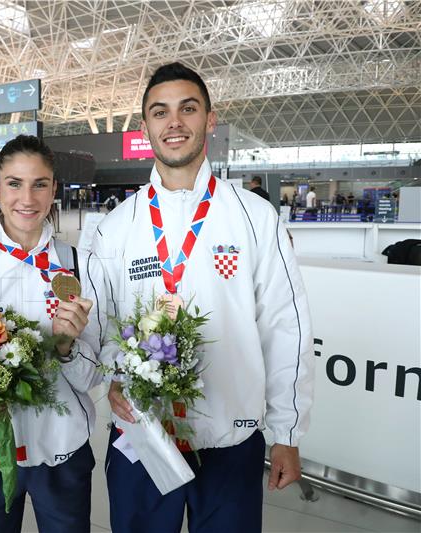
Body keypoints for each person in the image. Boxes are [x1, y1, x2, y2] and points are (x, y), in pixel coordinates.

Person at [92, 62, 314, 533]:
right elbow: (103, 325)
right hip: (142, 438)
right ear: (146, 126)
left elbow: (284, 327)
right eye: (160, 112)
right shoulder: (115, 228)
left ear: (209, 120)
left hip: (231, 440)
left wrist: (286, 433)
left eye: (187, 109)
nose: (174, 122)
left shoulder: (255, 218)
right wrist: (114, 374)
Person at [0, 135, 107, 533]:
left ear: (53, 190)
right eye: (14, 183)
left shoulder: (85, 269)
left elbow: (92, 378)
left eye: (39, 184)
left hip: (63, 450)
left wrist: (66, 347)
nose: (26, 198)